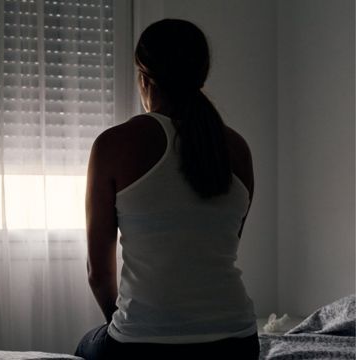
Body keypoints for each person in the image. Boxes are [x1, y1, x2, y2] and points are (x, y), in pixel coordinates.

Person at [75, 19, 259, 359]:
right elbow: (216, 249)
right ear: (202, 77)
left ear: (143, 77)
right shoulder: (238, 148)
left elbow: (98, 274)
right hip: (238, 342)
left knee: (84, 347)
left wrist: (130, 326)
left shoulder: (113, 145)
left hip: (144, 347)